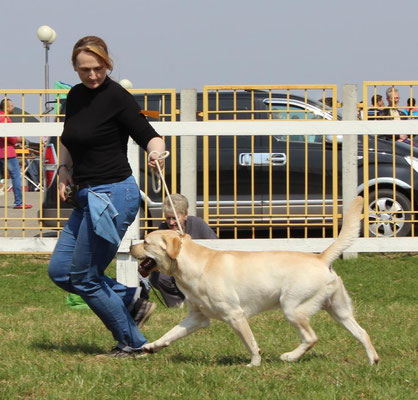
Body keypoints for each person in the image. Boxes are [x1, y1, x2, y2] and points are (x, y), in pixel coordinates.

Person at [47, 36, 166, 358]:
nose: (92, 75)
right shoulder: (74, 96)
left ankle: (133, 344)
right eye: (85, 69)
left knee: (85, 277)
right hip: (86, 196)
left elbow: (149, 136)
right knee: (60, 271)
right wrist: (64, 168)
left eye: (98, 68)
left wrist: (157, 153)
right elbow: (68, 137)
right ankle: (129, 299)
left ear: (107, 64)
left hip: (113, 196)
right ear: (75, 67)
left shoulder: (117, 97)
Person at [149, 194, 218, 308]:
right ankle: (178, 305)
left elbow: (216, 246)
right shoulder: (163, 229)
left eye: (175, 218)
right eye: (168, 218)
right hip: (175, 271)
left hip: (200, 272)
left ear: (185, 215)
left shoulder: (198, 224)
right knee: (159, 277)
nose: (171, 223)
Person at [0, 99, 32, 208]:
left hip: (2, 151)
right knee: (16, 176)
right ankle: (19, 202)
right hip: (7, 151)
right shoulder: (5, 118)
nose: (13, 107)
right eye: (12, 106)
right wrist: (17, 139)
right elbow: (7, 134)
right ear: (6, 107)